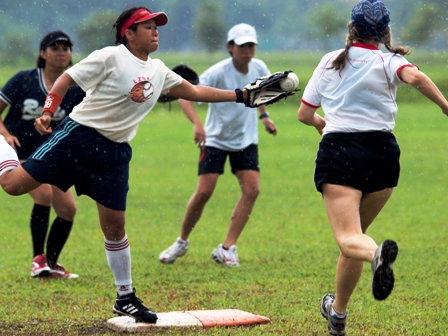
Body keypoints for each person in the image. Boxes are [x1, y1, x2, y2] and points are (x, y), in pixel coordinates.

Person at [0, 7, 261, 323]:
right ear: (128, 33)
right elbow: (66, 80)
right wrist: (46, 112)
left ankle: (125, 297)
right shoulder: (109, 56)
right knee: (13, 186)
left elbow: (193, 91)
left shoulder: (159, 69)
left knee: (115, 227)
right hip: (78, 138)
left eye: (157, 27)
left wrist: (241, 95)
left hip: (114, 152)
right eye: (148, 26)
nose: (155, 32)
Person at [297, 0, 448, 334]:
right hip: (381, 156)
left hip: (340, 154)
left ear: (352, 28)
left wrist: (323, 123)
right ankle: (337, 314)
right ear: (385, 32)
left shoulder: (329, 61)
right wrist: (445, 106)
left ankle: (378, 254)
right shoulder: (391, 60)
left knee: (351, 240)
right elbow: (417, 78)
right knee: (355, 238)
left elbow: (304, 115)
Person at [159, 23, 276, 267]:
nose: (248, 50)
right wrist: (197, 124)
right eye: (242, 46)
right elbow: (185, 95)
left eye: (251, 45)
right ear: (230, 47)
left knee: (252, 190)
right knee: (204, 192)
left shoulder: (259, 67)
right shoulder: (217, 72)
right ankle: (181, 242)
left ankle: (227, 248)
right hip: (215, 140)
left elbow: (260, 92)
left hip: (246, 139)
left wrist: (264, 116)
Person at [0, 31, 84, 279]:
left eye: (66, 48)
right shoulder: (23, 80)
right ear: (43, 53)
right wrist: (4, 133)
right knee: (44, 193)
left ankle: (52, 263)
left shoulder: (75, 89)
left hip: (54, 157)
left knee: (68, 209)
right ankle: (38, 259)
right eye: (55, 47)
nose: (61, 52)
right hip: (22, 154)